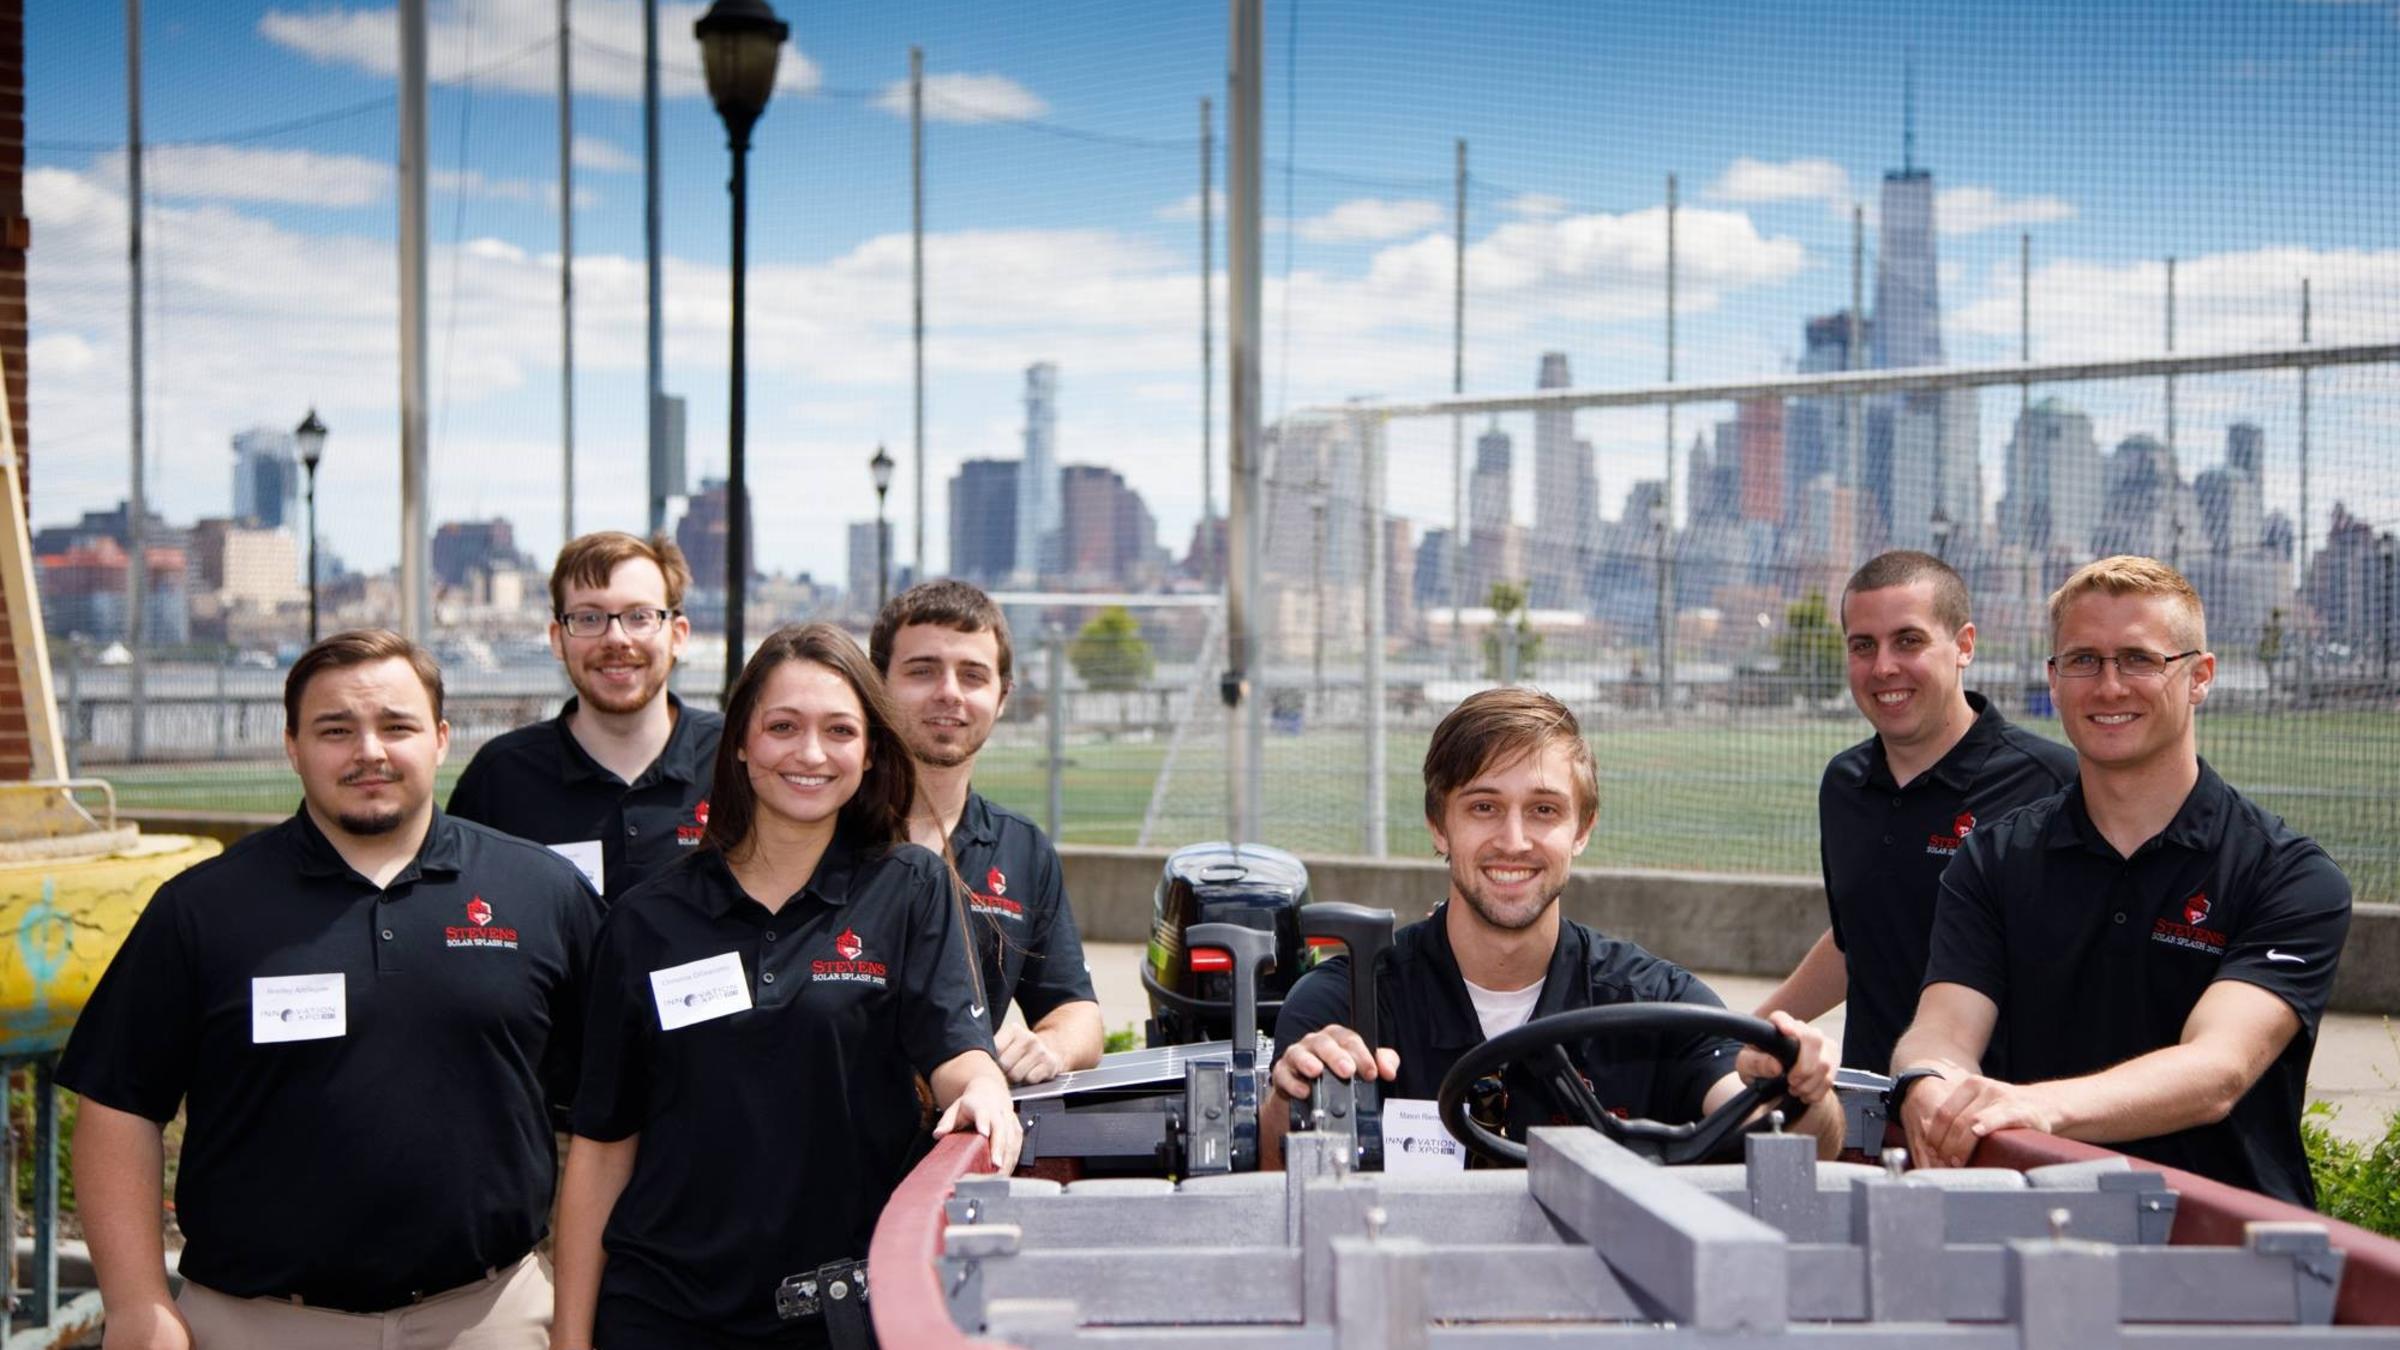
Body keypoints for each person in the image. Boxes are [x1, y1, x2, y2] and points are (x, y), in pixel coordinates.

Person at [61, 630, 601, 1349]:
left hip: (490, 1318)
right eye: (335, 730)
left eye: (397, 726)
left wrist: (578, 1310)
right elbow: (117, 1107)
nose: (369, 751)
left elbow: (610, 1114)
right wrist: (137, 1305)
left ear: (441, 739)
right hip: (253, 1324)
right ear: (292, 745)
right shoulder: (201, 909)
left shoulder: (543, 894)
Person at [552, 622, 1022, 1349]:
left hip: (833, 1314)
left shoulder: (910, 887)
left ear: (869, 754)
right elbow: (604, 1148)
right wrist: (570, 1339)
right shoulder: (647, 918)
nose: (810, 754)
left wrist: (984, 1087)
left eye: (840, 730)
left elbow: (956, 1051)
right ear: (739, 742)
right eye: (782, 727)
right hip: (660, 1314)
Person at [1891, 556, 2352, 1206]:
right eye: (2083, 660)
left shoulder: (2289, 875)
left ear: (2199, 677)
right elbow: (1943, 1030)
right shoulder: (1993, 858)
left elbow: (2216, 1071)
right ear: (2053, 681)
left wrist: (2032, 1109)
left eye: (2139, 659)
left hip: (2231, 1257)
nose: (2108, 687)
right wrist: (1929, 1083)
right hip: (2032, 1234)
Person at [1269, 687, 1844, 1162]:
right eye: (1483, 807)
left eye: (1544, 810)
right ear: (1438, 826)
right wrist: (1288, 1096)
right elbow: (1270, 1173)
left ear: (1582, 829)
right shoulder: (1344, 1006)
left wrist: (1801, 1092)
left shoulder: (1655, 1003)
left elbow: (1791, 1145)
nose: (1514, 841)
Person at [1755, 551, 2076, 1075]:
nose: (1884, 667)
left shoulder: (2052, 785)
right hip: (1867, 1111)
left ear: (1964, 646)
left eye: (1909, 641)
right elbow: (1853, 939)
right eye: (1863, 646)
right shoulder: (1844, 785)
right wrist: (1754, 1028)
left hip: (1998, 1117)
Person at [870, 580, 1103, 1084]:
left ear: (1002, 697)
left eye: (972, 675)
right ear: (876, 683)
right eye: (922, 671)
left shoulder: (1021, 849)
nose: (949, 692)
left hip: (961, 1146)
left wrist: (1051, 1046)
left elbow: (1076, 1010)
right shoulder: (825, 828)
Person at [449, 531, 722, 902]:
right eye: (589, 617)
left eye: (639, 616)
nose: (616, 638)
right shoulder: (499, 777)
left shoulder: (735, 760)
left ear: (678, 634)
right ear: (557, 638)